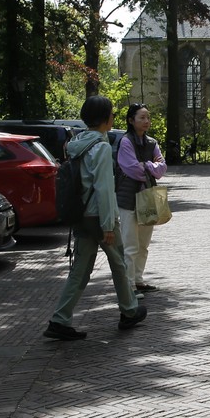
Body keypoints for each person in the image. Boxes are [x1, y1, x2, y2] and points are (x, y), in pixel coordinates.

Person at [45, 95, 148, 339]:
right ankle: (129, 310)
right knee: (119, 263)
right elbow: (104, 189)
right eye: (111, 114)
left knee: (80, 268)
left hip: (81, 214)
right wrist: (108, 225)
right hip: (99, 216)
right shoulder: (101, 147)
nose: (113, 117)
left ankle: (60, 319)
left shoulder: (77, 143)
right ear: (104, 119)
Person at [116, 102, 167, 293]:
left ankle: (138, 279)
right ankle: (129, 286)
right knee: (130, 244)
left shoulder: (152, 143)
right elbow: (133, 170)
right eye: (142, 117)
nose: (147, 121)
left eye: (148, 117)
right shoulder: (125, 142)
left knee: (144, 244)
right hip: (128, 198)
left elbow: (162, 169)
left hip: (147, 197)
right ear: (131, 120)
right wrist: (150, 166)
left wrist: (146, 166)